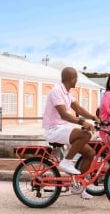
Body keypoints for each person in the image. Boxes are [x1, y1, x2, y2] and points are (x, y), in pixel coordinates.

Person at [42, 67, 100, 199]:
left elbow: (78, 108)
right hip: (54, 129)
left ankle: (79, 186)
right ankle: (66, 162)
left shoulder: (67, 92)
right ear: (72, 78)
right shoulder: (56, 91)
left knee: (90, 153)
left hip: (63, 128)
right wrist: (82, 122)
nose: (77, 81)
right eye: (76, 78)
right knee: (85, 134)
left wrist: (92, 117)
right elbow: (64, 115)